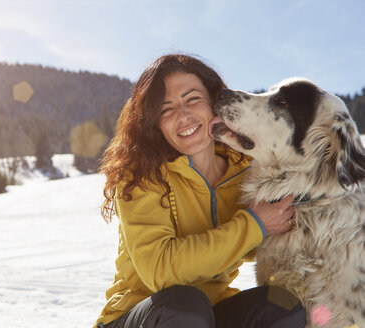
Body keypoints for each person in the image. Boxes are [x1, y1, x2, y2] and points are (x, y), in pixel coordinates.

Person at [94, 54, 306, 328]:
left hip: (210, 314)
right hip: (144, 316)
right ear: (155, 122)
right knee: (185, 307)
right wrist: (254, 225)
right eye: (166, 109)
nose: (182, 116)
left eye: (192, 99)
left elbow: (273, 237)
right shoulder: (142, 175)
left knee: (282, 304)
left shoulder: (245, 170)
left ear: (215, 103)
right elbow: (161, 272)